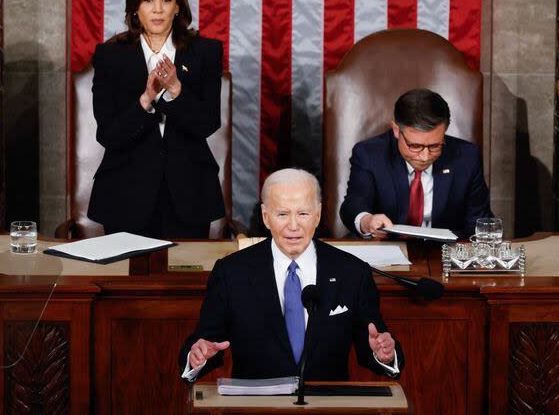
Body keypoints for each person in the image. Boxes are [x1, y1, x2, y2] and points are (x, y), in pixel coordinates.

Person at [178, 168, 404, 382]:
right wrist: (197, 356)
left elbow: (373, 343)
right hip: (254, 411)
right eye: (282, 214)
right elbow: (207, 341)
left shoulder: (352, 272)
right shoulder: (231, 272)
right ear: (266, 217)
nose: (293, 226)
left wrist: (384, 353)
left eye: (303, 213)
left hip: (326, 410)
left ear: (317, 215)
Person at [87, 0, 225, 238]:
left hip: (190, 194)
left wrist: (176, 90)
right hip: (124, 196)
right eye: (148, 0)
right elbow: (108, 133)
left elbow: (208, 122)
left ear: (178, 7)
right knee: (129, 280)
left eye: (166, 0)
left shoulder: (206, 52)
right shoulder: (110, 56)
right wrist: (146, 100)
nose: (158, 9)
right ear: (135, 8)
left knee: (186, 278)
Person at [340, 88, 492, 239]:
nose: (425, 157)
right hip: (386, 249)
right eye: (415, 146)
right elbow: (354, 204)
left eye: (434, 146)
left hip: (442, 254)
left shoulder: (466, 157)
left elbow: (479, 222)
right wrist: (368, 221)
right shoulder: (369, 154)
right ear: (396, 131)